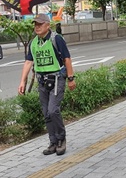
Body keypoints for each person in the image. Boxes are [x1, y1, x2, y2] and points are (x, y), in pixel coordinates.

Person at [18, 14, 76, 156]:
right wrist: (22, 81)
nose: (37, 27)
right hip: (42, 80)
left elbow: (67, 59)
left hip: (57, 79)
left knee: (53, 110)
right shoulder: (33, 43)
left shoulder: (56, 39)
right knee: (46, 113)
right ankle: (53, 142)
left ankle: (61, 139)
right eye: (35, 24)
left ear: (47, 25)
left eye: (40, 24)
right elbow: (28, 62)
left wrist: (71, 78)